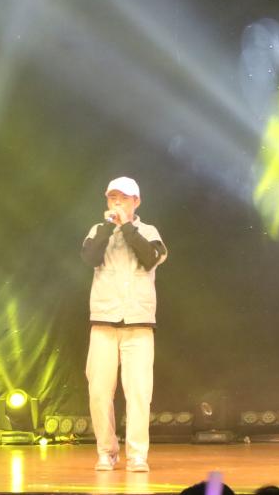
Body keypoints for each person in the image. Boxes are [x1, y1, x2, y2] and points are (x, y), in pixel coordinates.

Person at [81, 175, 167, 472]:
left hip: (139, 323)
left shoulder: (149, 231)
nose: (117, 202)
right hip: (104, 321)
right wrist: (110, 226)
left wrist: (127, 226)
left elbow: (150, 259)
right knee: (99, 391)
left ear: (136, 201)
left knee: (139, 392)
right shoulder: (98, 230)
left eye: (123, 198)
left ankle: (137, 455)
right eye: (112, 197)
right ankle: (106, 451)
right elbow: (90, 258)